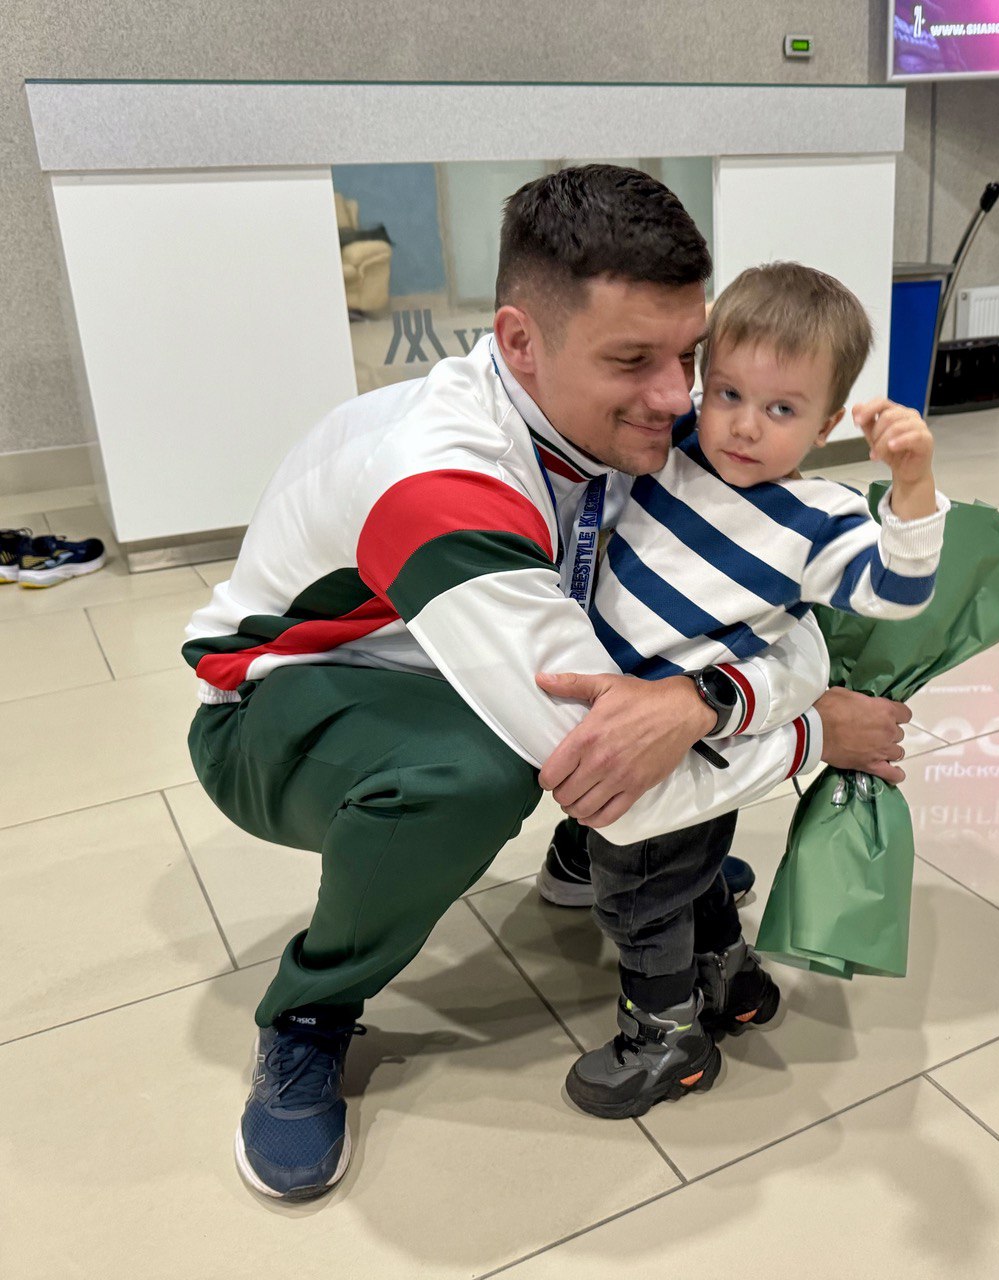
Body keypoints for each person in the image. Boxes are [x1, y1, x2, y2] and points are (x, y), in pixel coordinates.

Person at [182, 165, 912, 1201]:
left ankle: (580, 865)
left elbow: (778, 625)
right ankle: (308, 1009)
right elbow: (604, 770)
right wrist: (810, 735)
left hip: (481, 658)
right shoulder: (440, 481)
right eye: (631, 359)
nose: (677, 396)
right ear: (520, 340)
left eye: (686, 354)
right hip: (284, 701)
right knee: (476, 773)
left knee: (672, 663)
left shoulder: (624, 423)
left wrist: (711, 699)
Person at [549, 263, 948, 1119]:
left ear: (827, 423)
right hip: (641, 723)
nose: (742, 425)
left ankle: (667, 1037)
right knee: (691, 875)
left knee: (640, 898)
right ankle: (728, 978)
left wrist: (912, 488)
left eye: (781, 410)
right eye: (726, 393)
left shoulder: (819, 519)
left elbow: (898, 592)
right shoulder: (672, 452)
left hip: (679, 748)